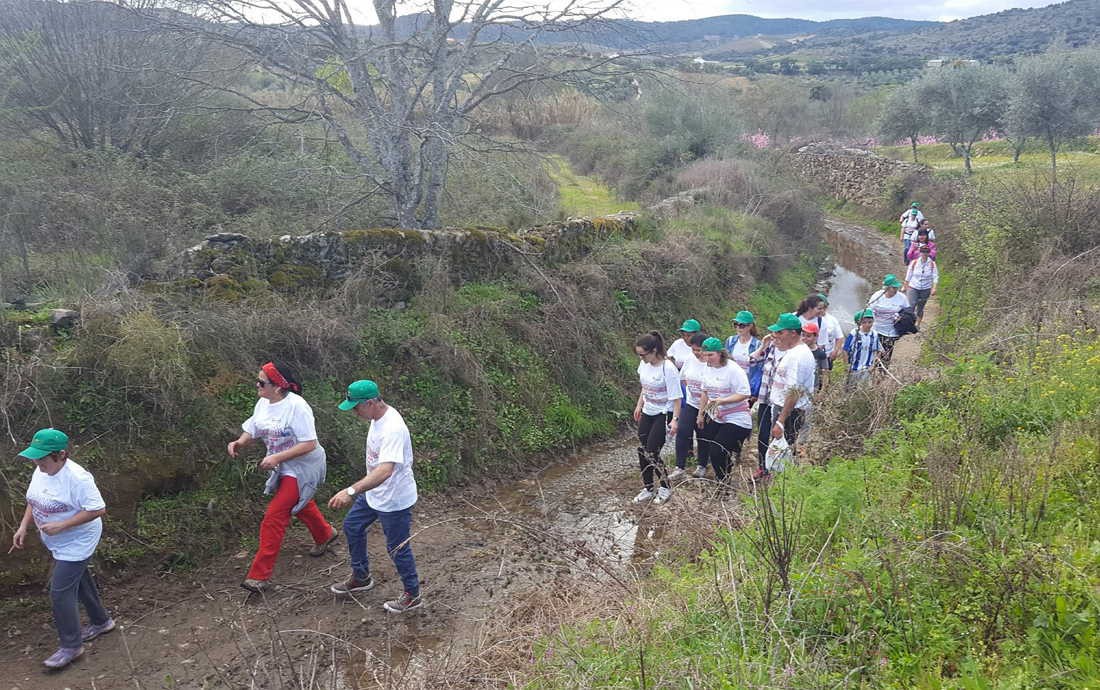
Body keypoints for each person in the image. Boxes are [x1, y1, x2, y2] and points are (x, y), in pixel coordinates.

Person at [228, 361, 337, 593]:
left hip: (303, 466)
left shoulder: (297, 407)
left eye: (261, 382)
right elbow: (253, 428)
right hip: (283, 465)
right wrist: (240, 442)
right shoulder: (263, 403)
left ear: (277, 387)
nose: (257, 385)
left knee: (274, 515)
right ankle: (325, 534)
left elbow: (309, 443)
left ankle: (259, 576)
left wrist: (277, 458)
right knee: (298, 501)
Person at [10, 429, 114, 670]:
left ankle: (71, 646)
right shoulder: (41, 470)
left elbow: (98, 509)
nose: (37, 463)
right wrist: (23, 526)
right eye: (35, 458)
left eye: (42, 458)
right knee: (78, 579)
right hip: (56, 538)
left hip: (78, 539)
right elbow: (33, 499)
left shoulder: (78, 478)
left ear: (61, 455)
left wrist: (63, 525)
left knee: (60, 592)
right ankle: (102, 622)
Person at [328, 380, 422, 613]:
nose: (354, 412)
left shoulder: (393, 428)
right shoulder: (376, 418)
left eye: (356, 407)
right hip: (375, 492)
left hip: (394, 498)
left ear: (370, 403)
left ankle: (413, 594)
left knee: (397, 548)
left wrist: (350, 491)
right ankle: (361, 577)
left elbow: (385, 470)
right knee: (352, 525)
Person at [754, 313, 817, 478]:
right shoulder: (794, 352)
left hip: (790, 413)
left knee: (783, 454)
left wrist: (781, 422)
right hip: (785, 410)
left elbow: (794, 391)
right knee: (781, 453)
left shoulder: (797, 356)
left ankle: (782, 491)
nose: (776, 336)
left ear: (793, 333)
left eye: (780, 333)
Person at [695, 337, 753, 488]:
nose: (707, 359)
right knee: (714, 450)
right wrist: (701, 414)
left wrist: (722, 401)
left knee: (716, 451)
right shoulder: (707, 368)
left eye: (711, 355)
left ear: (720, 354)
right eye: (705, 355)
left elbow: (745, 393)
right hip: (716, 415)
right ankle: (724, 480)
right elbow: (705, 392)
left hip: (737, 416)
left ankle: (724, 484)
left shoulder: (733, 370)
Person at [632, 332, 682, 505]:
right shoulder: (644, 364)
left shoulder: (668, 368)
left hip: (664, 412)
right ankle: (648, 488)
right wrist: (639, 405)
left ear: (654, 351)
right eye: (639, 355)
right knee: (642, 450)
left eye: (643, 354)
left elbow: (677, 398)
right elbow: (644, 388)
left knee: (652, 451)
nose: (641, 358)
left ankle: (665, 486)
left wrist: (675, 420)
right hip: (648, 410)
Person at [672, 332, 707, 480]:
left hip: (707, 405)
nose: (696, 353)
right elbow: (683, 378)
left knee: (702, 434)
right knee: (682, 432)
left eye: (699, 350)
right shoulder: (690, 359)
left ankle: (702, 465)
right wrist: (691, 390)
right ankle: (679, 466)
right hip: (692, 402)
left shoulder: (711, 361)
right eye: (694, 350)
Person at [795, 294, 844, 387]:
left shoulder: (822, 322)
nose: (822, 311)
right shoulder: (795, 317)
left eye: (823, 308)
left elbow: (821, 345)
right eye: (819, 308)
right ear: (810, 308)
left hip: (811, 358)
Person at [867, 275, 910, 366]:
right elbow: (869, 311)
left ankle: (882, 374)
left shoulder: (902, 298)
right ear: (886, 288)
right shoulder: (877, 296)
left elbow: (908, 313)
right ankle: (870, 372)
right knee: (872, 353)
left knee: (885, 355)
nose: (895, 290)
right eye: (893, 288)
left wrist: (901, 318)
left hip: (891, 331)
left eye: (897, 287)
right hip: (875, 329)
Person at [725, 310, 763, 405]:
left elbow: (759, 370)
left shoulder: (757, 345)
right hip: (731, 383)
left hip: (747, 385)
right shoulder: (730, 341)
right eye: (736, 324)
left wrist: (754, 392)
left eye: (742, 325)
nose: (738, 327)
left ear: (750, 326)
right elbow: (725, 363)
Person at [904, 244, 939, 326]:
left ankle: (918, 325)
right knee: (911, 305)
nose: (924, 254)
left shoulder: (932, 264)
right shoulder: (914, 263)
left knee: (920, 307)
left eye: (926, 252)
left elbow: (935, 276)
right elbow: (908, 275)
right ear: (920, 252)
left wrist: (934, 288)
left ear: (929, 253)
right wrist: (905, 286)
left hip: (925, 288)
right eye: (923, 252)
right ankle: (909, 324)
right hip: (913, 286)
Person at [843, 310, 881, 386]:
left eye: (870, 322)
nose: (867, 325)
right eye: (864, 322)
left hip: (867, 369)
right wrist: (846, 365)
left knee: (865, 389)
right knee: (851, 389)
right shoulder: (854, 333)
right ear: (860, 323)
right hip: (854, 368)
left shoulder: (874, 334)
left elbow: (877, 351)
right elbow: (845, 350)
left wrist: (873, 365)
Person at [800, 321, 828, 390]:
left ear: (816, 337)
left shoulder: (820, 354)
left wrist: (822, 392)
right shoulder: (798, 351)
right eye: (803, 335)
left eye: (808, 336)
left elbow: (825, 374)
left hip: (812, 388)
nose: (805, 338)